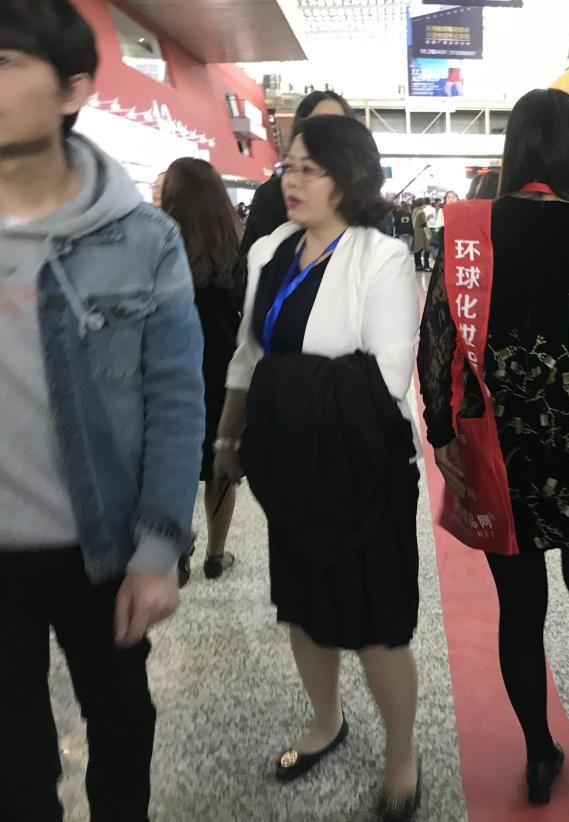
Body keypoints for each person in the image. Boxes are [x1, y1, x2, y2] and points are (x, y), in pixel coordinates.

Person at [419, 88, 569, 805]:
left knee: (519, 611)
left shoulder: (469, 229)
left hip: (501, 448)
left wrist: (440, 432)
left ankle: (536, 754)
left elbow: (437, 340)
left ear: (516, 149)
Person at [0, 2, 205, 820]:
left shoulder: (142, 238)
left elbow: (175, 398)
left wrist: (158, 550)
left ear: (73, 89)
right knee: (14, 772)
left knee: (121, 727)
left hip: (103, 547)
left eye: (5, 63)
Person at [214, 116, 423, 819]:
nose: (292, 180)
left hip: (362, 470)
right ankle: (327, 721)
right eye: (289, 166)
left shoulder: (380, 258)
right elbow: (250, 354)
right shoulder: (271, 249)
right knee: (303, 609)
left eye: (310, 168)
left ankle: (402, 754)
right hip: (291, 466)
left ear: (351, 177)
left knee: (374, 624)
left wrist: (280, 383)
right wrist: (228, 438)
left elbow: (386, 377)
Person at [160, 158, 243, 580]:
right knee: (219, 462)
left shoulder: (158, 242)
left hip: (171, 366)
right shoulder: (236, 243)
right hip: (224, 369)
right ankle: (215, 554)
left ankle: (177, 555)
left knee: (173, 463)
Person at [237, 90, 353, 278]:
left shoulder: (363, 200)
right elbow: (245, 274)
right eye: (318, 124)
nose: (328, 134)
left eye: (337, 125)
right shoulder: (272, 196)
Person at [412, 198, 430, 271]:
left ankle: (418, 265)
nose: (425, 205)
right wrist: (427, 234)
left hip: (416, 232)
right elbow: (424, 224)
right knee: (427, 249)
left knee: (417, 250)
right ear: (422, 204)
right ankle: (426, 266)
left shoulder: (414, 211)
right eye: (424, 203)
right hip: (421, 233)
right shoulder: (421, 212)